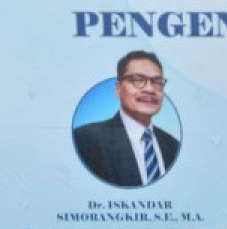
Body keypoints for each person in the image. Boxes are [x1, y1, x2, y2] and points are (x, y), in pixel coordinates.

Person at [73, 50, 180, 188]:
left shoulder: (173, 145)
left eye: (157, 82)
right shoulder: (87, 139)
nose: (149, 89)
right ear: (118, 89)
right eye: (137, 80)